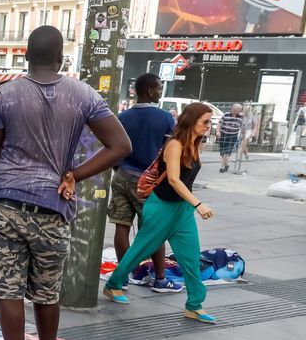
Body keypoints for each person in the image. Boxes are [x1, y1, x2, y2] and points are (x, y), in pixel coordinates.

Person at [0, 26, 131, 340]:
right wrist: (75, 173)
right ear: (61, 58)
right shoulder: (84, 94)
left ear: (25, 54)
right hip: (54, 209)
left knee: (9, 292)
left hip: (3, 206)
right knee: (47, 291)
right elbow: (120, 145)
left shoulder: (4, 95)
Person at [103, 104, 217, 324]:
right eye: (205, 122)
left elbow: (186, 180)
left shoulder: (196, 145)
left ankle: (194, 305)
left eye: (209, 122)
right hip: (161, 207)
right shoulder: (174, 144)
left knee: (191, 258)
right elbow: (174, 179)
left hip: (181, 210)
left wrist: (190, 205)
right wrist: (198, 204)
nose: (208, 127)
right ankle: (113, 285)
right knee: (139, 250)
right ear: (191, 121)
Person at [107, 73, 182, 293]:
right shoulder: (166, 118)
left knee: (121, 225)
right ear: (149, 91)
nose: (160, 91)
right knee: (154, 229)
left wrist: (119, 168)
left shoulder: (123, 117)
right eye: (159, 88)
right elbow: (170, 152)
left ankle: (122, 278)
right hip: (147, 182)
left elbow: (112, 146)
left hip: (121, 175)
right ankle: (160, 278)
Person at [218, 104, 242, 173]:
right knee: (222, 151)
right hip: (224, 133)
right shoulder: (226, 114)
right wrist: (218, 132)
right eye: (235, 110)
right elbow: (219, 123)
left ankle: (222, 167)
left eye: (238, 111)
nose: (236, 112)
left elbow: (243, 126)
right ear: (232, 109)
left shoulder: (241, 117)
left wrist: (242, 135)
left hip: (233, 135)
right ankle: (227, 164)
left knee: (227, 151)